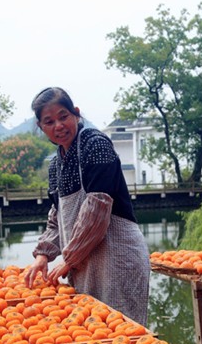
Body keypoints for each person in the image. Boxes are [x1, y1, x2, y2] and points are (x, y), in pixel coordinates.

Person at [24, 87, 150, 325]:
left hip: (116, 256)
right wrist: (43, 255)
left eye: (63, 117)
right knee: (92, 332)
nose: (58, 126)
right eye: (49, 121)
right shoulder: (56, 165)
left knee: (123, 333)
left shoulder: (96, 145)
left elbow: (96, 212)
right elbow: (57, 217)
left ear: (76, 114)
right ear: (41, 127)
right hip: (84, 260)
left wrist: (68, 259)